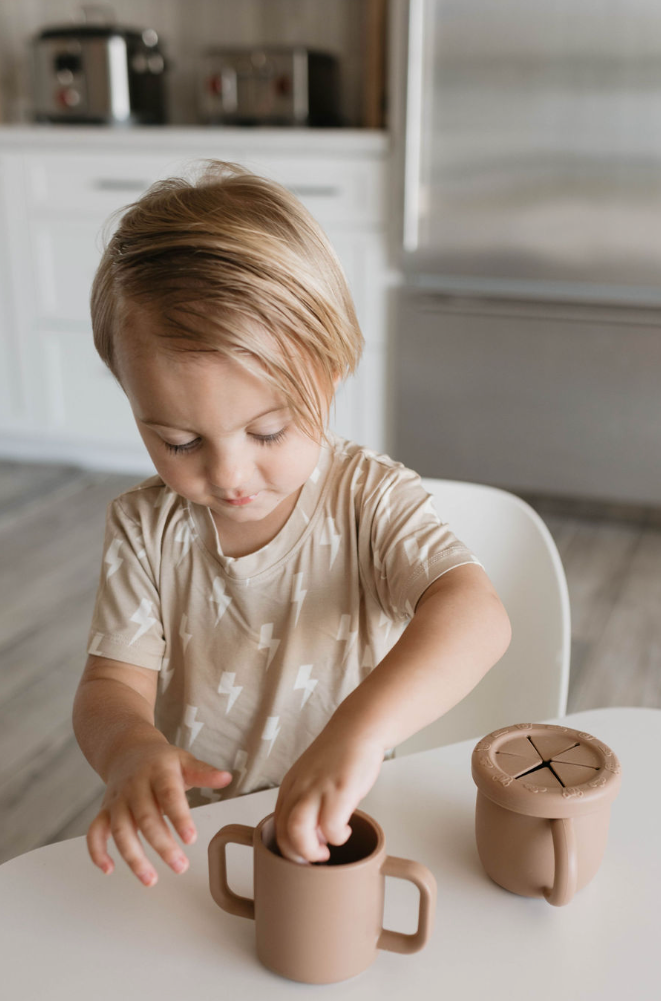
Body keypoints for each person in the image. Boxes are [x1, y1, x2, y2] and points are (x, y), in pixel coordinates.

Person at [72, 160, 511, 887]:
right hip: (199, 831)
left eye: (268, 431)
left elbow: (477, 616)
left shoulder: (368, 499)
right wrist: (127, 752)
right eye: (180, 442)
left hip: (350, 820)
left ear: (331, 372)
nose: (230, 474)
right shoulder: (145, 528)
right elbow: (109, 688)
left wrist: (357, 736)